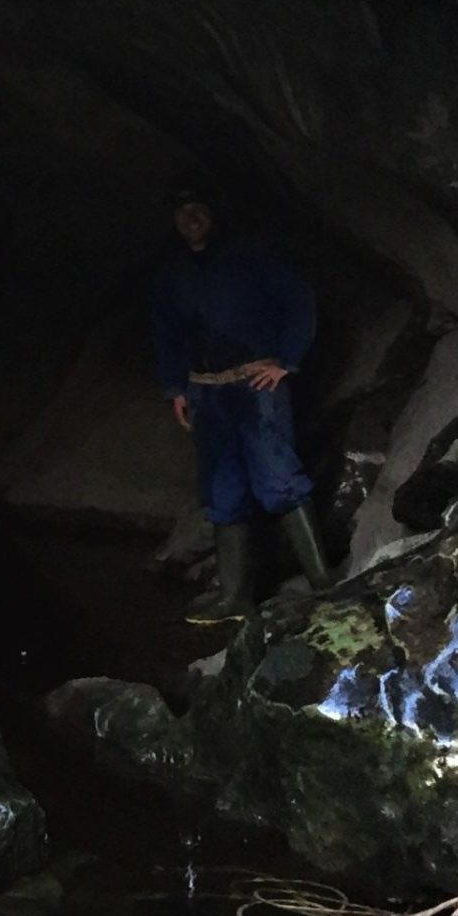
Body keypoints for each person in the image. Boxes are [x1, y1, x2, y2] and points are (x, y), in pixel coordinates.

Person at [151, 181, 328, 624]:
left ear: (213, 214)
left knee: (279, 477)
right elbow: (166, 334)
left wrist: (288, 360)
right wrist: (175, 389)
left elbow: (299, 300)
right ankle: (235, 598)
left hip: (255, 385)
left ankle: (327, 586)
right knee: (223, 490)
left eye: (198, 209)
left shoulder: (251, 255)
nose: (191, 218)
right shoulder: (173, 273)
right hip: (206, 391)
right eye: (182, 211)